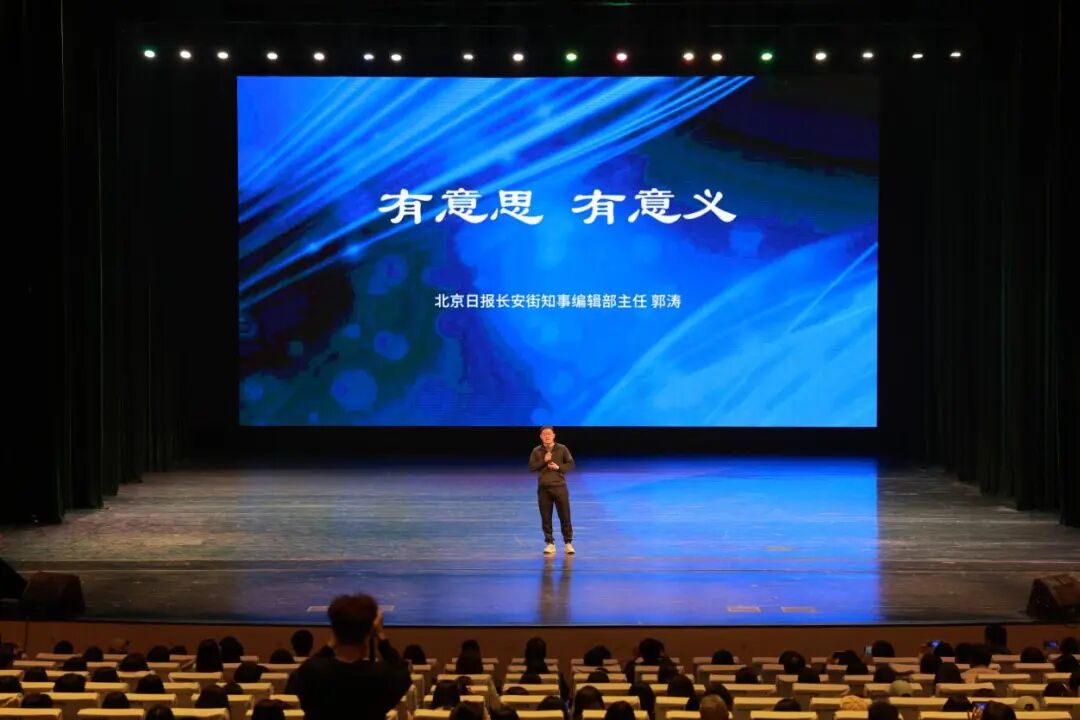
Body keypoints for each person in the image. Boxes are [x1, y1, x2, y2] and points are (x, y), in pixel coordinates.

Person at [294, 593, 412, 720]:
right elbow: (402, 671)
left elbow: (305, 669)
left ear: (334, 630)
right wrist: (380, 635)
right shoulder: (382, 676)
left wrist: (332, 642)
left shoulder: (312, 673)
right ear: (370, 631)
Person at [529, 426, 576, 555]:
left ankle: (568, 543)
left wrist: (558, 467)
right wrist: (543, 461)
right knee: (546, 517)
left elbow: (571, 464)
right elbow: (532, 467)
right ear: (541, 436)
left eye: (549, 434)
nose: (547, 436)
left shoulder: (562, 448)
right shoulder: (536, 451)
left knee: (565, 516)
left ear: (554, 435)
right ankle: (550, 543)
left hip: (560, 487)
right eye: (544, 434)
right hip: (544, 489)